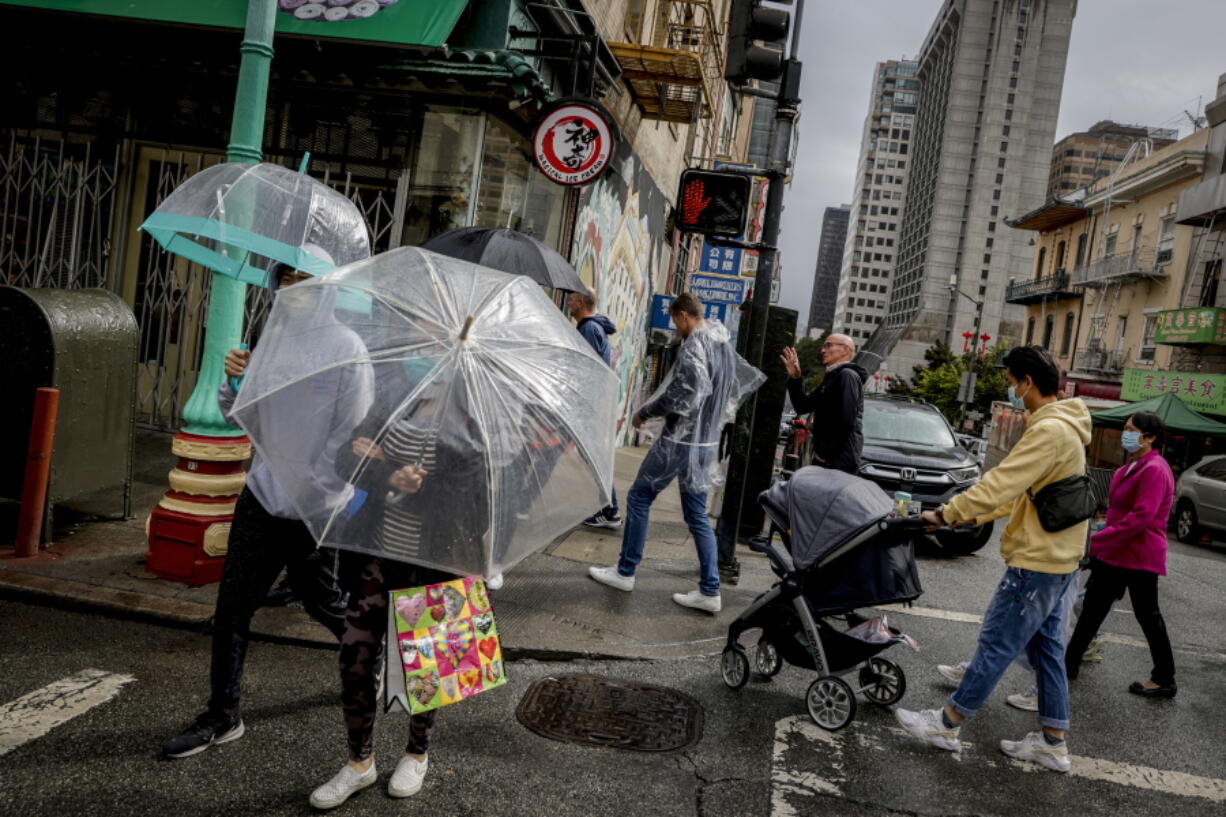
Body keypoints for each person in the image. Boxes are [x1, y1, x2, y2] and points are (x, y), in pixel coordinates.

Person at [162, 247, 375, 759]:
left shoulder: (348, 349)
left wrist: (313, 484)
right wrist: (235, 382)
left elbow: (354, 434)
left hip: (313, 507)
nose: (294, 289)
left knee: (324, 602)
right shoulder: (268, 344)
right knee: (232, 609)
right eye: (287, 278)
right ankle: (223, 714)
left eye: (306, 279)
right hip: (260, 498)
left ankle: (376, 658)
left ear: (324, 287)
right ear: (275, 283)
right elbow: (240, 418)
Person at [894, 346, 1090, 773]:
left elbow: (1002, 482)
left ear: (1027, 383)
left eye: (1010, 380)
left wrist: (948, 513)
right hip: (1059, 560)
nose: (1009, 387)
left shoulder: (1049, 431)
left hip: (1037, 562)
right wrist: (965, 515)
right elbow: (1020, 494)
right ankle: (1052, 743)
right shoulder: (1068, 427)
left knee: (996, 644)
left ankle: (947, 723)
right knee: (1050, 654)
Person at [310, 378, 489, 809]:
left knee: (428, 667)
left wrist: (417, 484)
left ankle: (417, 753)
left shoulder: (471, 420)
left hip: (433, 562)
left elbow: (477, 508)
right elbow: (344, 458)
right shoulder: (399, 397)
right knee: (354, 655)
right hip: (376, 553)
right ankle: (359, 762)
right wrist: (389, 471)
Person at [586, 294, 760, 614]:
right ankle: (710, 590)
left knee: (639, 498)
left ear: (682, 316)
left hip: (680, 442)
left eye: (674, 321)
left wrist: (645, 412)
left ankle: (625, 571)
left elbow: (685, 394)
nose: (675, 327)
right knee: (697, 516)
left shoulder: (695, 344)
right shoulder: (722, 345)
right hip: (706, 444)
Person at [1065, 412, 1177, 698]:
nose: (1126, 434)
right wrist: (1102, 536)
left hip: (1139, 555)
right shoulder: (1132, 465)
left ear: (1149, 438)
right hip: (1116, 552)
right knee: (1092, 610)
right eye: (1125, 429)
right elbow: (1119, 511)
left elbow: (1141, 517)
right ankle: (1068, 666)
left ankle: (1164, 678)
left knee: (1147, 615)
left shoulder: (1155, 468)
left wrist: (1097, 540)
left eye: (1131, 430)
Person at [568, 290, 622, 530]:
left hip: (585, 404)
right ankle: (608, 509)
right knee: (592, 456)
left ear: (580, 302)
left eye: (571, 298)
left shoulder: (589, 329)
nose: (568, 302)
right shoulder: (593, 327)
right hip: (588, 404)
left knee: (592, 456)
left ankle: (610, 510)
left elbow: (585, 368)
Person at [778, 334, 867, 474]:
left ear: (845, 350)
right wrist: (796, 377)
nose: (822, 350)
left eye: (828, 345)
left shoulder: (847, 376)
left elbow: (846, 421)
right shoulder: (833, 377)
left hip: (837, 462)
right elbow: (803, 406)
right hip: (830, 460)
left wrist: (824, 454)